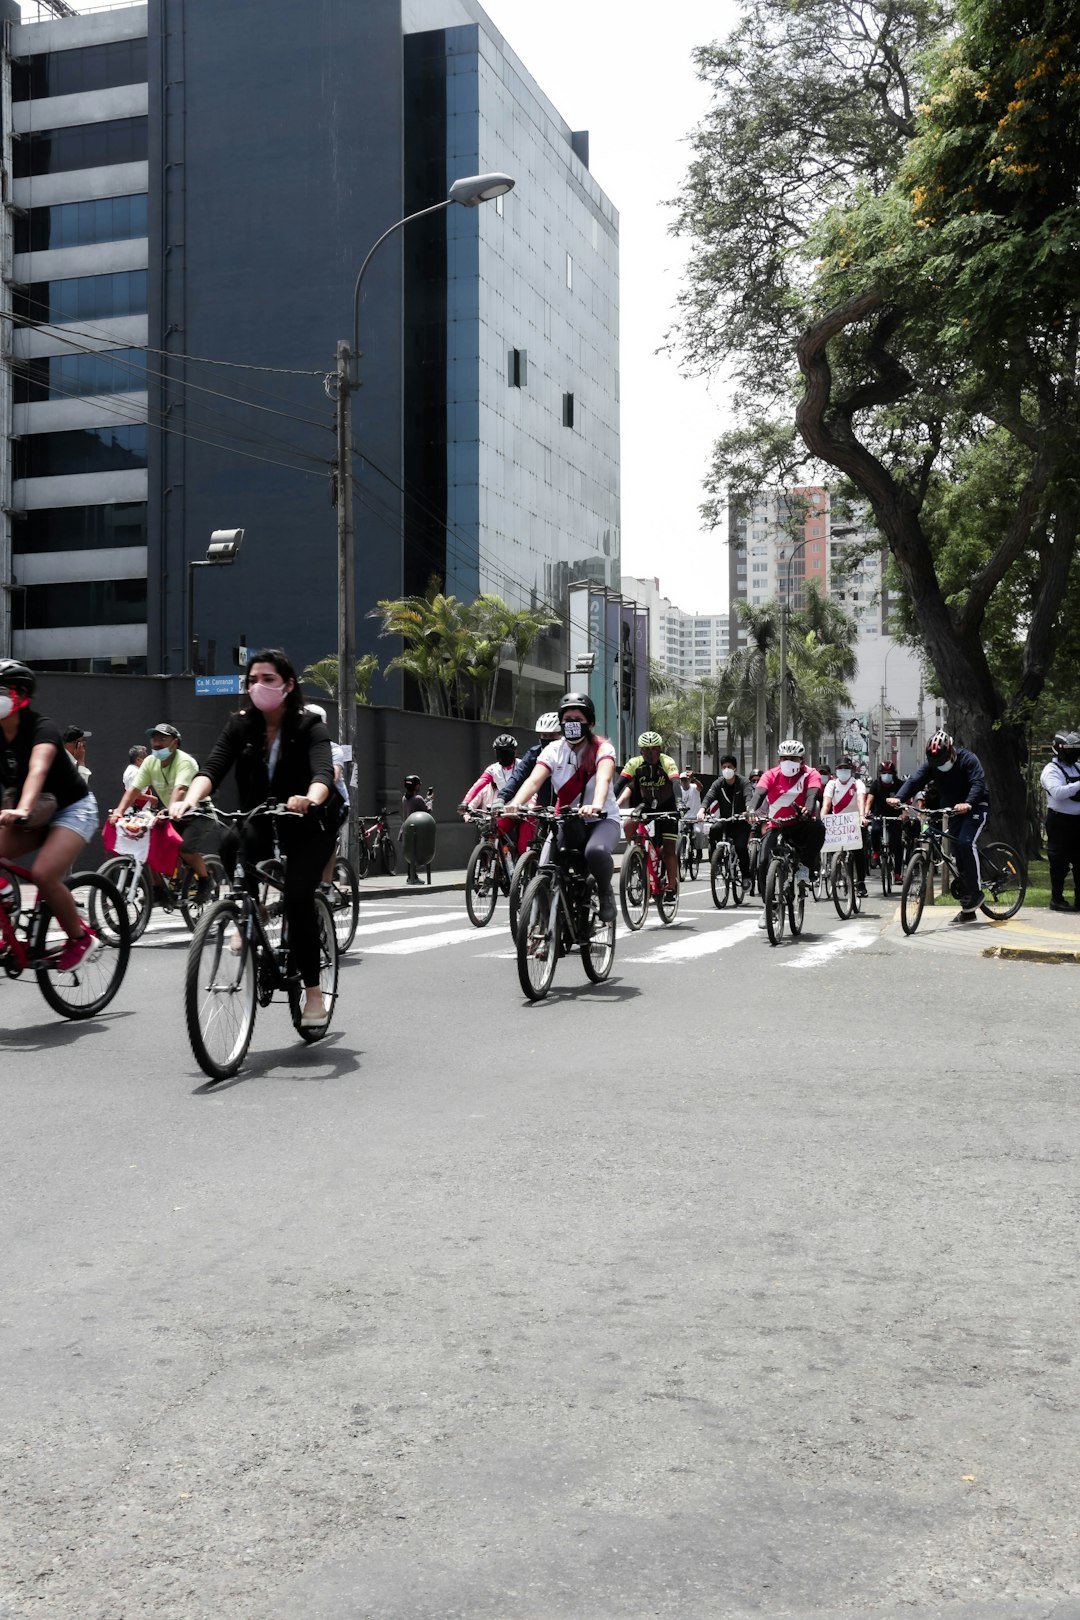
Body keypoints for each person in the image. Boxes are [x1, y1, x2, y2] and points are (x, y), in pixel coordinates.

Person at [171, 648, 343, 1026]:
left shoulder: (310, 725)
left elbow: (322, 772)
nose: (259, 686)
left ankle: (314, 995)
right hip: (260, 814)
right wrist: (189, 800)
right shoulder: (240, 725)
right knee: (234, 841)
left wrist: (309, 798)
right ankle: (247, 915)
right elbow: (213, 767)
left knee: (298, 896)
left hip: (308, 820)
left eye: (268, 679)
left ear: (288, 684)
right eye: (252, 680)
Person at [0, 660, 101, 970]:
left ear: (21, 695)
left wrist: (23, 807)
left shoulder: (42, 727)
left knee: (45, 874)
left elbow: (37, 769)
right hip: (32, 814)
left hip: (73, 810)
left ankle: (80, 939)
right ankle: (8, 906)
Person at [505, 691, 620, 923]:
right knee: (545, 868)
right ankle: (543, 930)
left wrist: (596, 805)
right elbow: (534, 780)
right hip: (565, 820)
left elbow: (603, 779)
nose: (572, 725)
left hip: (601, 820)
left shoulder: (603, 749)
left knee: (595, 852)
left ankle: (606, 892)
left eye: (578, 720)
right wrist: (515, 803)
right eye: (567, 721)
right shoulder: (553, 750)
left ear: (590, 723)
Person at [889, 730, 989, 924]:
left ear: (951, 752)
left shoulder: (968, 759)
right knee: (956, 853)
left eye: (943, 760)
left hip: (976, 806)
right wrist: (899, 797)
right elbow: (915, 781)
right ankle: (968, 910)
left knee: (966, 843)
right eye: (936, 762)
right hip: (953, 810)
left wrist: (968, 803)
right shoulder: (931, 765)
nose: (940, 765)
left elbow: (978, 783)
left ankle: (976, 892)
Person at [110, 723, 214, 900]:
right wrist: (119, 811)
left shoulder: (185, 761)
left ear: (175, 743)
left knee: (186, 848)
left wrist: (168, 810)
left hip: (197, 814)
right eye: (154, 738)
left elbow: (180, 789)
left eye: (162, 739)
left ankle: (205, 881)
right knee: (150, 847)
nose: (156, 743)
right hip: (172, 813)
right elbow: (134, 790)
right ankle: (158, 889)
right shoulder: (150, 762)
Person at [748, 739, 826, 927]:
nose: (788, 761)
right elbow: (758, 794)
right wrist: (751, 809)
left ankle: (804, 870)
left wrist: (807, 809)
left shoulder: (810, 774)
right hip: (776, 825)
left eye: (793, 758)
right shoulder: (771, 775)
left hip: (800, 824)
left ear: (801, 759)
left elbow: (812, 794)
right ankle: (769, 908)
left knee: (818, 828)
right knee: (763, 862)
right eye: (784, 758)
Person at [617, 730, 683, 899]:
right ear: (640, 751)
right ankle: (635, 854)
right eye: (646, 749)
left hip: (668, 806)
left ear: (659, 749)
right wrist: (607, 802)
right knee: (629, 823)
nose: (650, 753)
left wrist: (679, 803)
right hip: (646, 805)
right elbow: (620, 783)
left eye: (654, 749)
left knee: (669, 848)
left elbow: (675, 783)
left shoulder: (667, 761)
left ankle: (671, 887)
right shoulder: (634, 763)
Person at [1040, 729, 1080, 912]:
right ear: (1059, 749)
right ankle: (1057, 899)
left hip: (1078, 822)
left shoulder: (1077, 767)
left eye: (1075, 750)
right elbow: (1057, 792)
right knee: (1059, 863)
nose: (1073, 754)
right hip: (1060, 822)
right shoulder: (1051, 770)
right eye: (1069, 750)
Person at [821, 754, 869, 897]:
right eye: (840, 768)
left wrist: (861, 816)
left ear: (851, 770)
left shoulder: (857, 784)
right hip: (837, 824)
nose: (843, 770)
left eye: (846, 768)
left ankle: (860, 882)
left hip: (855, 822)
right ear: (836, 771)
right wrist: (822, 819)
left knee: (859, 851)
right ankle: (837, 873)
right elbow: (827, 804)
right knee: (832, 848)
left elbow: (861, 800)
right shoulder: (832, 784)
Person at [698, 754, 752, 877]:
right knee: (713, 830)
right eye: (724, 767)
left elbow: (749, 797)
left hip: (741, 823)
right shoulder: (718, 784)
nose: (726, 769)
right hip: (725, 821)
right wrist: (701, 810)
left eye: (729, 766)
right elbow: (708, 797)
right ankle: (715, 861)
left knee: (740, 847)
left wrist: (749, 810)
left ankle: (746, 876)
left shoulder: (744, 782)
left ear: (735, 769)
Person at [863, 759, 905, 881]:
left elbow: (904, 800)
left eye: (889, 773)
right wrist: (866, 812)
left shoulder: (899, 784)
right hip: (879, 815)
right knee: (875, 831)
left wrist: (903, 813)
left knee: (897, 844)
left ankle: (898, 874)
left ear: (893, 773)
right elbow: (870, 800)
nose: (887, 775)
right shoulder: (876, 784)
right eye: (884, 772)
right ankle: (875, 852)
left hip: (895, 817)